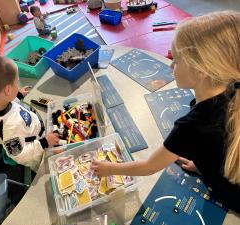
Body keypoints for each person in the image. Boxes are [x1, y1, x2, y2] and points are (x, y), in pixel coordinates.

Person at [91, 11, 240, 213]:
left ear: (201, 69)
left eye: (176, 60)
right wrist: (204, 165)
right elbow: (221, 144)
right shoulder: (233, 90)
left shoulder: (192, 126)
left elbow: (149, 167)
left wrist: (109, 168)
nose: (170, 66)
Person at [0, 55, 59, 171]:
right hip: (39, 153)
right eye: (16, 82)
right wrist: (44, 143)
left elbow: (10, 103)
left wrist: (17, 95)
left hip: (39, 133)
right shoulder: (9, 127)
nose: (18, 84)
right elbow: (20, 155)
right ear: (8, 90)